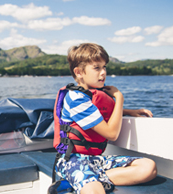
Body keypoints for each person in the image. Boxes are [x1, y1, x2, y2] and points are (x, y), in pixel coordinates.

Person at [52, 43, 157, 194]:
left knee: (148, 168)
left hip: (95, 159)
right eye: (97, 68)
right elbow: (111, 134)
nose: (103, 73)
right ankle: (83, 181)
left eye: (104, 67)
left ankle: (82, 181)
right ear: (79, 72)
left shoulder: (90, 95)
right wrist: (119, 98)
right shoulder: (76, 99)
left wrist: (129, 112)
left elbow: (99, 113)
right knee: (96, 192)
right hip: (72, 160)